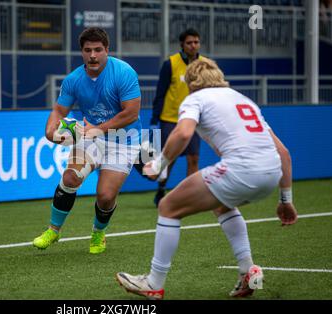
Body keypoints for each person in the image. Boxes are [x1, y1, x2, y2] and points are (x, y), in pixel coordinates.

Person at [116, 58, 298, 300]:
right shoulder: (244, 100)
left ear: (191, 83)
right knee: (222, 204)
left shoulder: (195, 98)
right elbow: (283, 153)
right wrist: (286, 200)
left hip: (241, 170)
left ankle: (153, 283)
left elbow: (183, 133)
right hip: (271, 172)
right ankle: (247, 270)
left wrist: (158, 165)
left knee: (168, 207)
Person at [32, 27, 142, 254]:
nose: (93, 55)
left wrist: (97, 129)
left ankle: (98, 233)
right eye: (88, 50)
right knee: (70, 177)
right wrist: (50, 130)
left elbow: (131, 113)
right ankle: (53, 230)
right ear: (81, 52)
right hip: (92, 136)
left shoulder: (124, 72)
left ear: (107, 50)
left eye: (98, 50)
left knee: (105, 195)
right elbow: (59, 110)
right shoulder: (73, 80)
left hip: (124, 140)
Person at [135, 28, 202, 207]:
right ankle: (161, 189)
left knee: (193, 158)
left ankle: (191, 196)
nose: (193, 45)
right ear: (182, 45)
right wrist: (154, 120)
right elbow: (160, 93)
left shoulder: (205, 65)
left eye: (196, 42)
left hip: (194, 120)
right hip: (170, 119)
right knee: (169, 157)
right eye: (189, 42)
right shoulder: (170, 64)